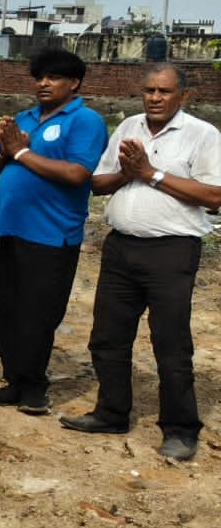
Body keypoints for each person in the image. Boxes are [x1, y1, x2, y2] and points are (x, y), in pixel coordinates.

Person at [60, 64, 220, 461]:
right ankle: (111, 412)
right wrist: (128, 173)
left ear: (184, 96)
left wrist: (150, 173)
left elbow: (214, 195)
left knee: (170, 343)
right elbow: (99, 183)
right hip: (121, 248)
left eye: (164, 91)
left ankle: (180, 429)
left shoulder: (202, 134)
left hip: (171, 251)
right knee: (107, 336)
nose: (155, 98)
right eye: (149, 90)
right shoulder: (129, 126)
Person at [0, 49, 108, 415]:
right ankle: (14, 380)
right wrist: (6, 151)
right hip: (12, 228)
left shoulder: (84, 120)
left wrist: (21, 154)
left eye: (53, 77)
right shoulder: (24, 119)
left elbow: (78, 174)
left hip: (52, 233)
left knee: (38, 313)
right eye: (39, 77)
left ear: (74, 83)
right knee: (8, 309)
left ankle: (35, 387)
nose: (43, 83)